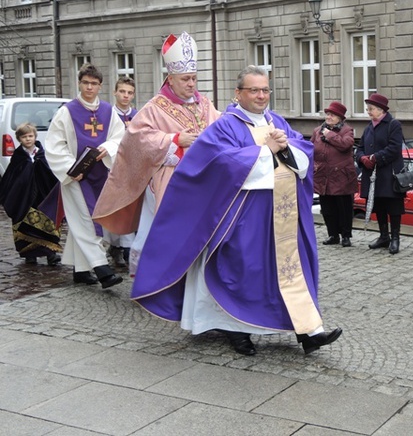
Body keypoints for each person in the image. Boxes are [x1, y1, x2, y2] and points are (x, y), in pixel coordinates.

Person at [130, 65, 342, 356]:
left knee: (291, 272)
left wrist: (285, 148)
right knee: (241, 272)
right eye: (253, 90)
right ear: (238, 93)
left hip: (280, 214)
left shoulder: (276, 120)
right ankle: (236, 329)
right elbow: (219, 164)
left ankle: (307, 331)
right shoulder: (226, 125)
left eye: (265, 89)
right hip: (242, 216)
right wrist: (263, 151)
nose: (260, 95)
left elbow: (302, 150)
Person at [93, 32, 221, 277]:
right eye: (186, 79)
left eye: (194, 78)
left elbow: (219, 131)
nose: (192, 84)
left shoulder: (204, 104)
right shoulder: (155, 106)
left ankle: (192, 277)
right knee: (159, 230)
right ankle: (150, 277)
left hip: (202, 179)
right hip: (167, 179)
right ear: (170, 79)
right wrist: (174, 140)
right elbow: (135, 139)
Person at [45, 63, 125, 288]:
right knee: (86, 221)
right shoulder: (66, 111)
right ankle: (102, 269)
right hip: (76, 177)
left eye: (94, 83)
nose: (89, 87)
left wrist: (108, 148)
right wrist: (72, 169)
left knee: (87, 220)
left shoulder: (109, 112)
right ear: (79, 83)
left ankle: (80, 271)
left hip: (100, 174)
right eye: (85, 83)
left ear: (100, 86)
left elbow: (120, 137)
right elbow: (54, 144)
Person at [0, 123, 62, 265]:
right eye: (24, 137)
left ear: (35, 136)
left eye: (30, 136)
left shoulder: (42, 154)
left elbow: (51, 174)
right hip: (23, 199)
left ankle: (50, 253)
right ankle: (29, 254)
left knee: (48, 223)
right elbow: (11, 178)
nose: (28, 139)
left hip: (43, 196)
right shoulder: (18, 157)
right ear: (19, 139)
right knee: (25, 224)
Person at [354, 93, 406, 255]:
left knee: (393, 207)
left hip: (389, 175)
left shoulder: (393, 124)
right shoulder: (369, 127)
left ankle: (395, 238)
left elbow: (395, 148)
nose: (368, 112)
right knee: (379, 206)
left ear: (380, 110)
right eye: (368, 109)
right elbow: (360, 147)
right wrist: (362, 157)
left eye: (370, 109)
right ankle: (384, 236)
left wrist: (375, 158)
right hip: (373, 176)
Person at [311, 101, 358, 247]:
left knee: (343, 207)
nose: (329, 117)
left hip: (342, 176)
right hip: (323, 175)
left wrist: (330, 135)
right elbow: (310, 147)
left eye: (332, 115)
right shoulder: (318, 130)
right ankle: (332, 234)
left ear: (340, 118)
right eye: (328, 114)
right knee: (327, 208)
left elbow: (346, 145)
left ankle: (345, 235)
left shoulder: (347, 130)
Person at [105, 76, 137, 267]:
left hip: (133, 168)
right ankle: (115, 247)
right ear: (115, 92)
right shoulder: (108, 115)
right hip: (113, 166)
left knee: (130, 209)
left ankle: (128, 249)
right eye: (122, 91)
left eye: (129, 92)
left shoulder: (138, 114)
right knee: (114, 208)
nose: (125, 96)